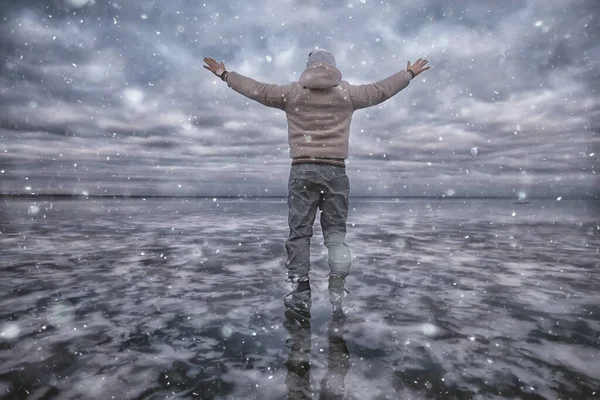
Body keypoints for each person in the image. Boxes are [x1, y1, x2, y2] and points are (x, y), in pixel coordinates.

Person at [203, 49, 430, 315]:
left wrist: (225, 75)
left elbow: (256, 89)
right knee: (335, 234)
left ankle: (301, 292)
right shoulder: (347, 94)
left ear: (308, 66)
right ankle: (337, 286)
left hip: (302, 171)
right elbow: (381, 90)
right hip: (335, 171)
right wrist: (408, 74)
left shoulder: (292, 93)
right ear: (333, 66)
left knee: (299, 233)